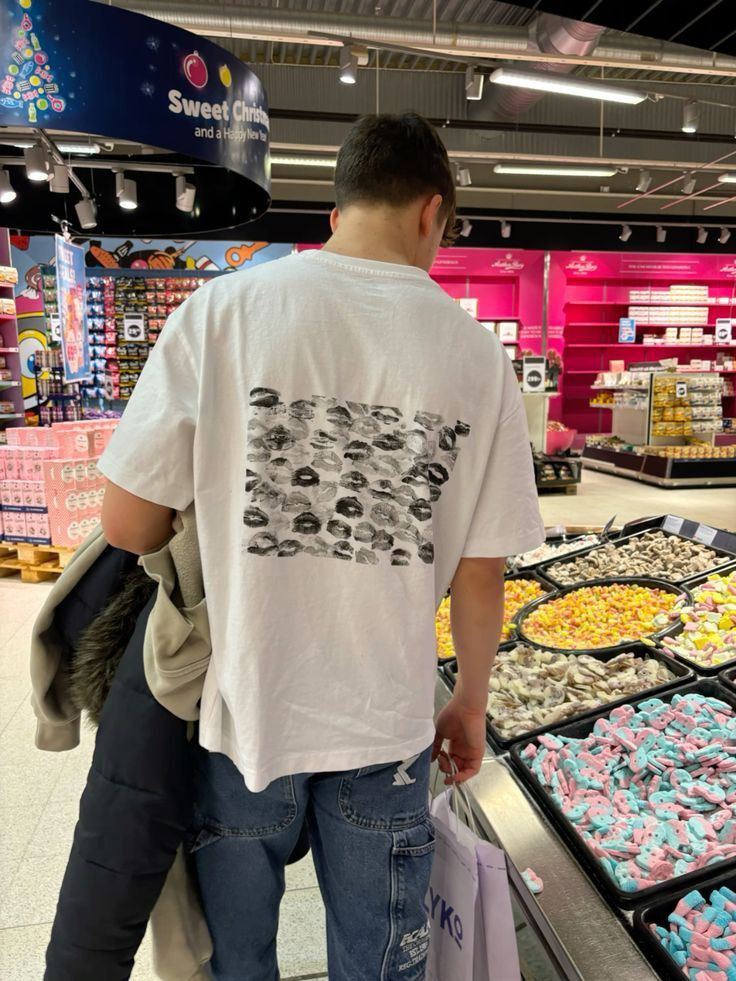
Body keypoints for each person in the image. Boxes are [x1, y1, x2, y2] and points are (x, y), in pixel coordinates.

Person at [99, 112, 545, 981]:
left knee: (240, 960)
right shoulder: (478, 358)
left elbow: (127, 522)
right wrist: (471, 703)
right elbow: (481, 573)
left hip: (247, 710)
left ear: (336, 208)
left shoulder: (223, 310)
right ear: (432, 212)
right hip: (386, 721)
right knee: (380, 962)